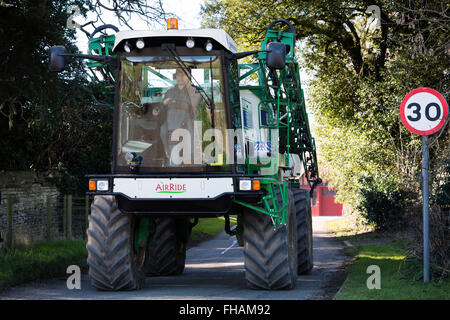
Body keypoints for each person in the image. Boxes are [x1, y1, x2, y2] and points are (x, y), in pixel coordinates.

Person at [160, 68, 202, 162]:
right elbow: (162, 108)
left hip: (187, 123)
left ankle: (190, 157)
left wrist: (176, 102)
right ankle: (167, 153)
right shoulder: (169, 92)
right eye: (178, 75)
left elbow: (193, 107)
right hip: (171, 125)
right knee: (162, 129)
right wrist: (159, 108)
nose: (180, 77)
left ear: (189, 76)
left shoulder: (195, 92)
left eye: (183, 74)